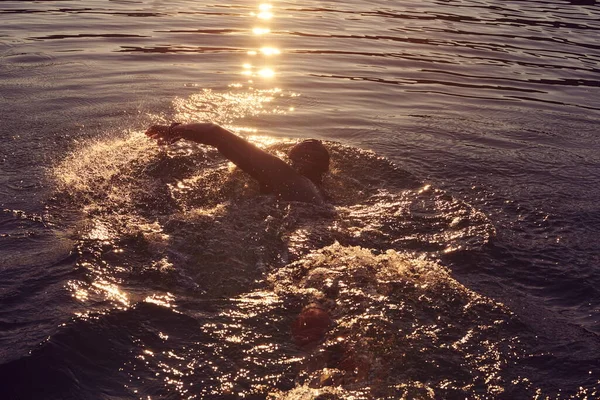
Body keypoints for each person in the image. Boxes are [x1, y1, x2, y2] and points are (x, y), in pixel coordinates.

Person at [145, 122, 330, 204]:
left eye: (288, 161)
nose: (285, 164)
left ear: (298, 163)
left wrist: (173, 130)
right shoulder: (320, 196)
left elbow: (214, 131)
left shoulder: (289, 178)